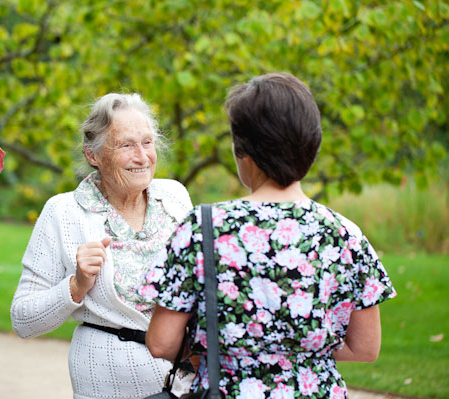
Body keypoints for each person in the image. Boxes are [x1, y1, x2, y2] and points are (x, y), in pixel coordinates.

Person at [141, 73, 396, 399]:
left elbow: (161, 342)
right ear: (312, 145)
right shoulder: (345, 235)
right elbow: (366, 347)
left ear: (243, 150)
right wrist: (296, 351)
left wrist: (229, 347)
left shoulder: (203, 226)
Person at [10, 92, 193, 399]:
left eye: (147, 142)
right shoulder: (64, 212)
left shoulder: (175, 197)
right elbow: (22, 320)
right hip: (107, 388)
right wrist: (76, 286)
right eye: (126, 145)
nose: (142, 156)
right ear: (93, 156)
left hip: (185, 387)